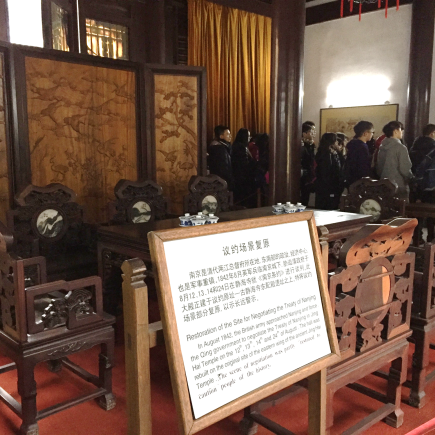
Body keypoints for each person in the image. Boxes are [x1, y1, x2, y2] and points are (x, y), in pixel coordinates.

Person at [376, 121, 413, 202]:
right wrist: (411, 178)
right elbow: (405, 169)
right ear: (395, 131)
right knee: (401, 210)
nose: (402, 131)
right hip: (399, 186)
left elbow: (379, 167)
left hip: (384, 184)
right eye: (401, 129)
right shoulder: (400, 147)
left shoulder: (382, 147)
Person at [314, 132, 343, 210]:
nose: (337, 142)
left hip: (327, 186)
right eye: (336, 140)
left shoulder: (331, 153)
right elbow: (327, 172)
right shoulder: (326, 154)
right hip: (328, 187)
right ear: (332, 142)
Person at [231, 128, 258, 208]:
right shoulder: (241, 147)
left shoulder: (238, 145)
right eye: (248, 136)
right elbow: (244, 164)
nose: (250, 138)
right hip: (242, 177)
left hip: (239, 176)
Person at [344, 121, 374, 187]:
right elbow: (363, 166)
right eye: (372, 132)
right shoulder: (362, 147)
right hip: (359, 181)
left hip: (351, 179)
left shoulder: (353, 144)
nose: (372, 134)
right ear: (365, 133)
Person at [208, 125, 234, 191]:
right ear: (221, 136)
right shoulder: (219, 149)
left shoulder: (224, 147)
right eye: (227, 134)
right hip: (221, 181)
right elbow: (223, 167)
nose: (230, 136)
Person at [300, 121, 316, 206]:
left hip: (308, 175)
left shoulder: (311, 145)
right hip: (302, 175)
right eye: (312, 131)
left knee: (306, 198)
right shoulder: (300, 145)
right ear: (304, 133)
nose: (314, 133)